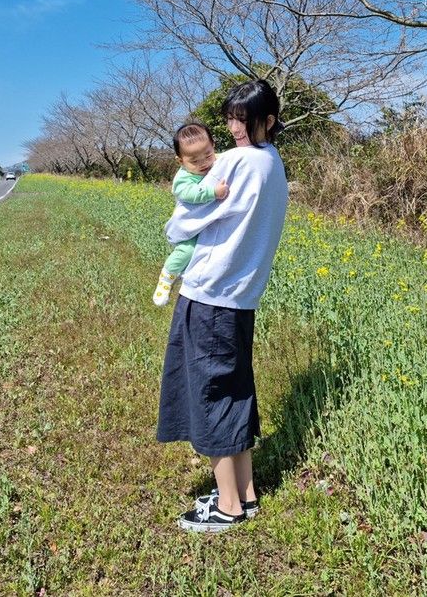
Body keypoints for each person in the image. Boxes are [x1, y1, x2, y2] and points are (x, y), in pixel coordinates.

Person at [157, 79, 288, 532]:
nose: (233, 127)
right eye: (230, 117)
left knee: (211, 392)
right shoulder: (273, 162)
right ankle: (246, 493)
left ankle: (227, 506)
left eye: (243, 118)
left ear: (268, 120)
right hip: (241, 296)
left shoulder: (235, 162)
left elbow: (180, 224)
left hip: (210, 292)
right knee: (234, 388)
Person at [153, 122, 229, 307]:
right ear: (180, 161)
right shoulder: (182, 178)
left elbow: (226, 157)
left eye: (208, 155)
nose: (203, 163)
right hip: (186, 229)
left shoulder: (216, 160)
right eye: (194, 161)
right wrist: (213, 192)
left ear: (213, 148)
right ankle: (166, 278)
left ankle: (182, 275)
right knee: (187, 250)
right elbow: (190, 194)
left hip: (202, 225)